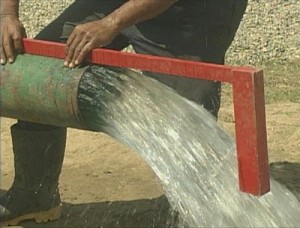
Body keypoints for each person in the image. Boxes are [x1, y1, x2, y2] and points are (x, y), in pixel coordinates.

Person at [0, 0, 248, 225]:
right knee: (40, 69)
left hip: (193, 13)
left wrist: (112, 23)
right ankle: (35, 196)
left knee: (188, 118)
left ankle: (200, 213)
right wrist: (6, 14)